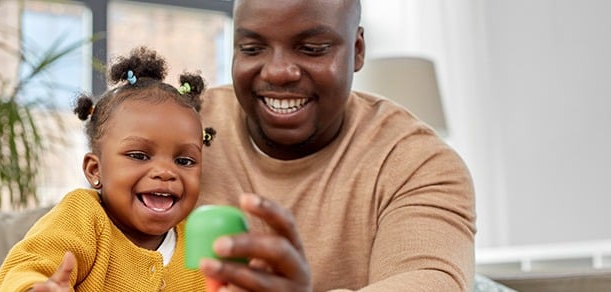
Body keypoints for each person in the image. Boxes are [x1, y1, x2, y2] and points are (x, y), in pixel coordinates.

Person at [195, 0, 476, 291]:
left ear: (357, 50)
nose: (277, 72)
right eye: (251, 49)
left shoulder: (417, 161)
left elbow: (432, 280)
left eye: (312, 48)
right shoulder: (186, 126)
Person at [0, 46, 215, 292]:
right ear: (94, 170)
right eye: (139, 155)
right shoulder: (83, 216)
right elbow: (25, 268)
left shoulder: (200, 243)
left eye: (184, 161)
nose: (165, 172)